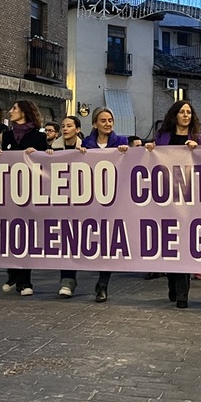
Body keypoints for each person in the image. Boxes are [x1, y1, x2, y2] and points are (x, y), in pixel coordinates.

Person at [145, 100, 201, 308]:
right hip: (165, 198)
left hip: (188, 199)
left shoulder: (199, 138)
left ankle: (182, 294)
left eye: (189, 112)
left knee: (184, 244)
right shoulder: (163, 137)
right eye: (182, 112)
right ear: (175, 115)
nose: (186, 115)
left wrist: (198, 150)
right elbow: (152, 160)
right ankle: (173, 283)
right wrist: (150, 149)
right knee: (170, 244)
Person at [0, 100, 49, 296]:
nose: (10, 111)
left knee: (25, 235)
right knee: (10, 234)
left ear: (24, 112)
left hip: (29, 191)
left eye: (14, 109)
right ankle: (13, 275)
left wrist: (37, 155)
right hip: (9, 191)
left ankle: (24, 281)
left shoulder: (38, 136)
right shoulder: (7, 135)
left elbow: (45, 160)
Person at [81, 107, 130, 302]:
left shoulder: (122, 142)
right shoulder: (86, 144)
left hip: (114, 200)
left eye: (110, 120)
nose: (108, 123)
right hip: (92, 200)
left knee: (108, 241)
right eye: (103, 120)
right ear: (95, 124)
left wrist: (127, 154)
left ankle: (103, 284)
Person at [48, 115, 87, 297]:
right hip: (61, 201)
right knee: (66, 239)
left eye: (69, 126)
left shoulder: (87, 148)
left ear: (77, 129)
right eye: (63, 126)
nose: (65, 129)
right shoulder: (52, 149)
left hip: (83, 202)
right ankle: (67, 280)